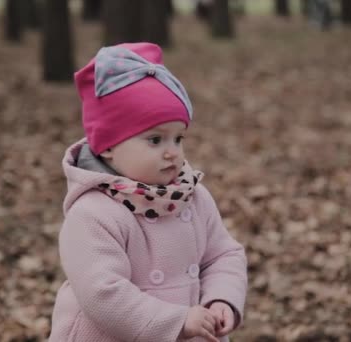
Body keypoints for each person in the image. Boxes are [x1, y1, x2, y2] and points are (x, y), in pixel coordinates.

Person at [48, 42, 248, 342]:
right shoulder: (92, 213)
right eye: (155, 140)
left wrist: (221, 299)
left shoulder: (191, 197)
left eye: (178, 139)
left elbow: (222, 255)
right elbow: (102, 293)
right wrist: (177, 321)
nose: (172, 153)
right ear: (109, 146)